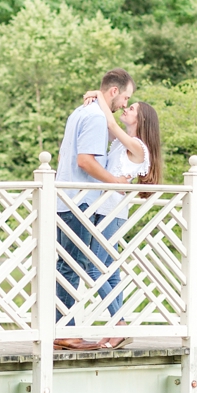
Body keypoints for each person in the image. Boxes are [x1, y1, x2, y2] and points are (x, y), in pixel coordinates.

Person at [53, 68, 136, 351]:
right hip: (79, 200)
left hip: (64, 197)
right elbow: (85, 161)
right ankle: (65, 331)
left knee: (67, 265)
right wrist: (114, 182)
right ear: (114, 92)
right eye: (125, 97)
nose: (125, 103)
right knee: (72, 266)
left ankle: (62, 328)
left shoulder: (81, 111)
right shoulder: (96, 117)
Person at [85, 91, 164, 350]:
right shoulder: (124, 143)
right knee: (111, 271)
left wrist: (99, 95)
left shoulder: (138, 146)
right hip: (104, 208)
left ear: (141, 119)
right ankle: (117, 326)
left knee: (95, 267)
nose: (126, 109)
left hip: (111, 212)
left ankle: (119, 324)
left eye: (133, 109)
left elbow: (110, 123)